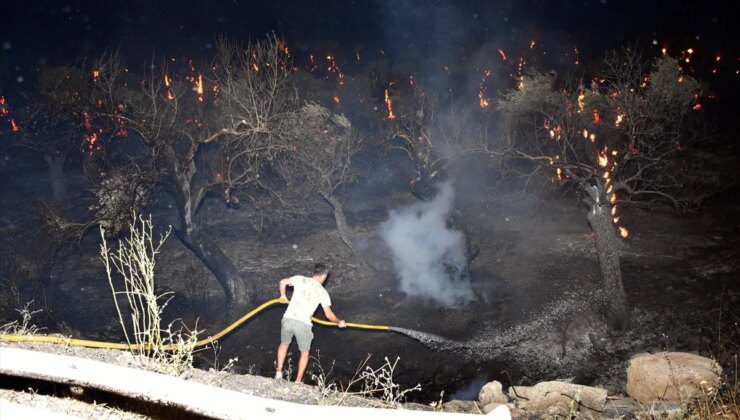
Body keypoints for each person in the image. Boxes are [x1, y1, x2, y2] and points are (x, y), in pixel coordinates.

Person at [275, 263, 346, 383]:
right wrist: (339, 322)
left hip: (288, 318)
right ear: (324, 276)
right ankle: (297, 382)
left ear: (314, 273)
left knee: (284, 344)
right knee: (304, 352)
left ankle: (278, 373)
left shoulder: (300, 279)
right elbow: (329, 315)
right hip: (303, 324)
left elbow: (282, 282)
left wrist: (283, 296)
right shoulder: (322, 292)